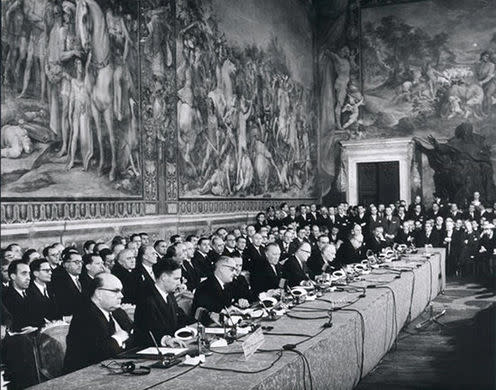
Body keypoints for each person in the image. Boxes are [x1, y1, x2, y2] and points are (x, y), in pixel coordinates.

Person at [63, 273, 133, 373]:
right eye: (116, 291)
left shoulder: (118, 312)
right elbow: (95, 354)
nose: (121, 296)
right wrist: (118, 338)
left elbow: (133, 335)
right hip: (83, 377)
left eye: (121, 291)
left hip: (114, 370)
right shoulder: (85, 315)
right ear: (99, 293)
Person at [134, 259, 192, 348]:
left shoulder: (169, 294)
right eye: (176, 279)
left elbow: (180, 317)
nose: (179, 283)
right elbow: (146, 333)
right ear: (164, 277)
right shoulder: (147, 299)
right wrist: (166, 340)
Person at [26, 258, 62, 327]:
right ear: (35, 273)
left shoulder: (52, 287)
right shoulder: (28, 291)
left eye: (50, 270)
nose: (50, 273)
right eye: (47, 271)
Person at [51, 250, 84, 316]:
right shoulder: (59, 281)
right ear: (66, 264)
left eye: (81, 262)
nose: (80, 265)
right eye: (76, 262)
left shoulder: (82, 278)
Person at [3, 260, 32, 331]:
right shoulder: (5, 296)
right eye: (24, 273)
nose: (29, 278)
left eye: (29, 274)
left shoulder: (31, 293)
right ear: (13, 276)